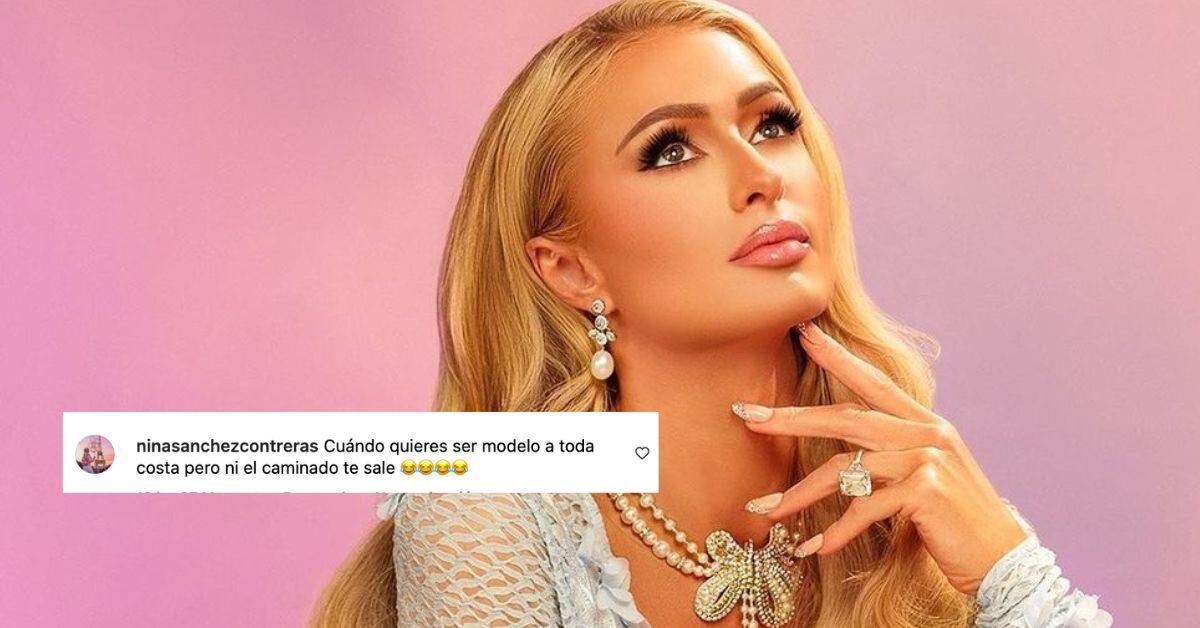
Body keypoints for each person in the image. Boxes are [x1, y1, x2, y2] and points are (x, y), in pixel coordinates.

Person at [310, 1, 1112, 626]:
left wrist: (1009, 574)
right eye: (671, 150)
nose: (762, 174)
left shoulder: (912, 504)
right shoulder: (488, 513)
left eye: (773, 123)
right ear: (572, 269)